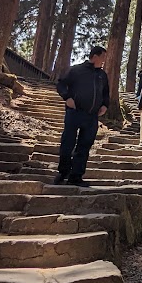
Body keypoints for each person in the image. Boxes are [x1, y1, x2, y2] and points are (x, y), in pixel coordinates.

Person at [54, 45, 109, 186]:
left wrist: (105, 105)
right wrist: (67, 97)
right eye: (103, 57)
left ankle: (76, 176)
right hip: (74, 113)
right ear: (95, 56)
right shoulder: (77, 70)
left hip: (92, 116)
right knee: (68, 143)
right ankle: (63, 172)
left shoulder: (103, 76)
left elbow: (106, 94)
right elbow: (61, 84)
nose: (104, 60)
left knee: (84, 146)